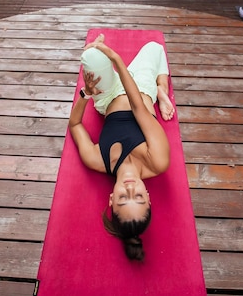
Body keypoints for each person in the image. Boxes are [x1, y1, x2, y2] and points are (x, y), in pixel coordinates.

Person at [68, 34, 174, 261]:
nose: (129, 190)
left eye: (123, 199)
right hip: (142, 90)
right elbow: (137, 107)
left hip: (107, 97)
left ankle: (159, 87)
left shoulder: (97, 160)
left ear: (111, 199)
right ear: (148, 196)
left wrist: (86, 94)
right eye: (138, 197)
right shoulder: (157, 161)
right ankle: (160, 89)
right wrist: (115, 58)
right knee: (154, 47)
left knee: (91, 55)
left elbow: (75, 124)